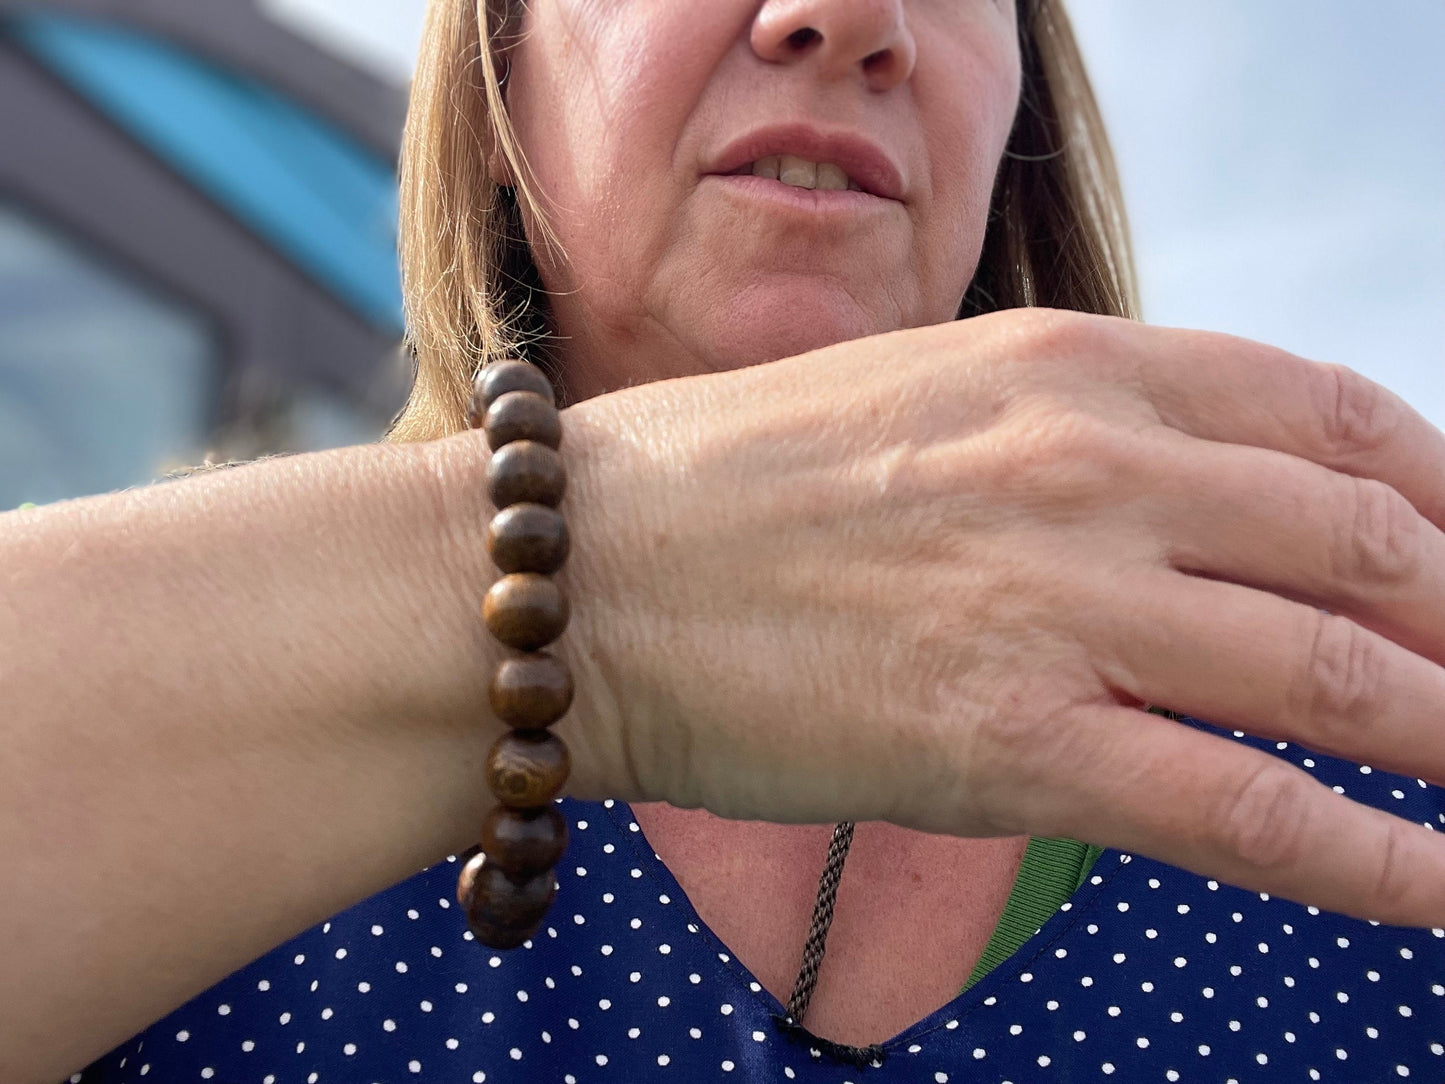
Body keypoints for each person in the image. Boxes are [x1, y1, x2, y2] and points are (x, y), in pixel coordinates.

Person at [3, 0, 1442, 1080]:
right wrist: (584, 580)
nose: (850, 17)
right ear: (497, 90)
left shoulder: (1362, 729)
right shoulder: (189, 709)